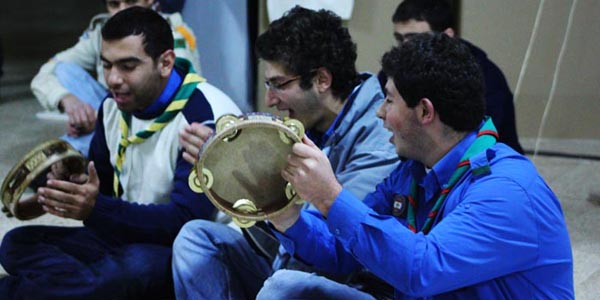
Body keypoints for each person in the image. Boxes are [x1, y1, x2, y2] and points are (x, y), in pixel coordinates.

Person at [255, 32, 574, 299]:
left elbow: (422, 269)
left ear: (425, 112)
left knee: (287, 288)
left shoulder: (506, 190)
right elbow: (342, 255)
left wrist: (330, 197)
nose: (379, 112)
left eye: (389, 100)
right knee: (290, 287)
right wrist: (284, 214)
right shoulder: (413, 172)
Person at [0, 7, 241, 300]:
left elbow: (184, 222)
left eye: (127, 66)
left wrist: (95, 209)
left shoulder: (203, 118)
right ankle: (90, 286)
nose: (113, 79)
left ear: (165, 62)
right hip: (131, 236)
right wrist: (77, 183)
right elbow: (103, 184)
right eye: (107, 65)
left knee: (137, 269)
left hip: (186, 249)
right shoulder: (113, 105)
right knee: (17, 243)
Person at [172, 6, 399, 300]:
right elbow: (282, 230)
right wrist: (229, 167)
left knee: (284, 284)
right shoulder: (308, 120)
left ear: (321, 80)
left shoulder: (379, 135)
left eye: (279, 85)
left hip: (349, 277)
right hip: (292, 258)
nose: (269, 99)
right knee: (196, 238)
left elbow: (336, 239)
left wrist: (262, 183)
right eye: (268, 85)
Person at [30, 0, 201, 157]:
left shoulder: (172, 34)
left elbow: (169, 101)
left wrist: (96, 120)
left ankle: (85, 153)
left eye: (131, 1)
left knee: (55, 163)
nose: (122, 10)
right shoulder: (102, 32)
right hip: (114, 112)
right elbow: (46, 73)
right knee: (63, 70)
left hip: (153, 124)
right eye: (114, 4)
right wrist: (66, 99)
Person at [382, 0, 524, 154]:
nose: (404, 47)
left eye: (414, 39)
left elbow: (474, 143)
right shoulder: (394, 70)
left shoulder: (485, 78)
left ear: (446, 36)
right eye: (399, 39)